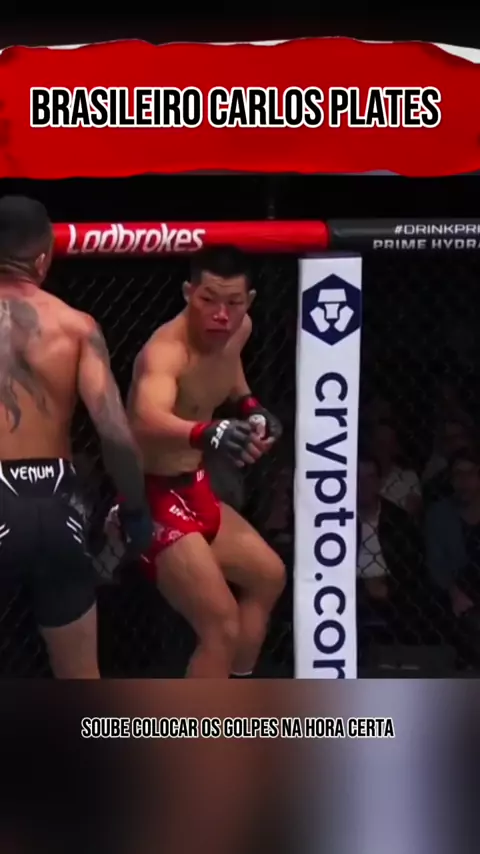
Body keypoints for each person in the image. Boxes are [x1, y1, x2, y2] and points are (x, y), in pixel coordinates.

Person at [0, 195, 152, 679]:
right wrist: (135, 508)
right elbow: (114, 432)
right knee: (81, 678)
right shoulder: (76, 326)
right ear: (44, 257)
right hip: (56, 503)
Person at [126, 245, 286, 678]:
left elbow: (230, 373)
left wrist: (251, 406)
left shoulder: (238, 330)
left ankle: (232, 692)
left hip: (195, 488)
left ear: (249, 301)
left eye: (233, 302)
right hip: (152, 497)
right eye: (208, 299)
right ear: (187, 293)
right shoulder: (166, 351)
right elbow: (143, 419)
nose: (221, 314)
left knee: (268, 576)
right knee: (220, 626)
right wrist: (207, 432)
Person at [369, 420, 422, 518]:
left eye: (386, 444)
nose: (381, 449)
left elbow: (414, 514)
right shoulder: (360, 476)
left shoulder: (408, 478)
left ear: (395, 447)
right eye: (378, 443)